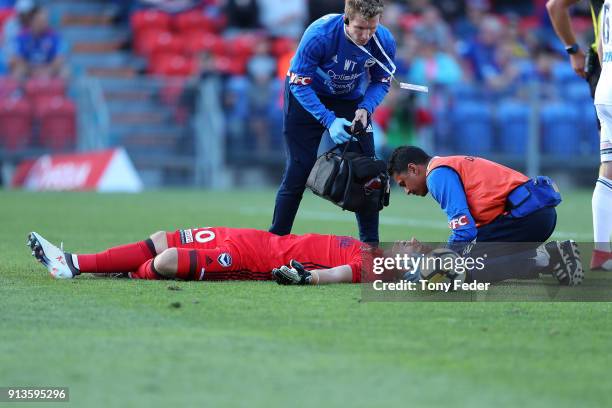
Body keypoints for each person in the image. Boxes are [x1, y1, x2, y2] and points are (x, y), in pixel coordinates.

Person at [269, 0, 396, 245]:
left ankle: (370, 250)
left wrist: (365, 109)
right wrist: (329, 120)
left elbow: (382, 80)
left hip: (350, 100)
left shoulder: (383, 40)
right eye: (360, 28)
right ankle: (275, 243)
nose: (366, 35)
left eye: (372, 28)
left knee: (368, 173)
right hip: (307, 98)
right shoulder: (320, 35)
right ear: (346, 19)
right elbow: (298, 83)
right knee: (299, 169)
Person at [387, 146, 584, 285]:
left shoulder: (436, 176)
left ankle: (547, 258)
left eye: (403, 183)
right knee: (467, 258)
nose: (406, 191)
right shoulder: (448, 165)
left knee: (463, 267)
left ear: (413, 169)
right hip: (535, 213)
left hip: (526, 217)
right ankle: (551, 258)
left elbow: (464, 231)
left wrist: (441, 262)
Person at [27, 228, 366, 285]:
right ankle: (78, 262)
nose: (411, 242)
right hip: (250, 236)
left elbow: (337, 275)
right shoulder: (363, 244)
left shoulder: (368, 264)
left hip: (249, 259)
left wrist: (309, 278)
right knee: (161, 239)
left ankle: (78, 265)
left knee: (168, 260)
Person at [547, 0, 612, 270]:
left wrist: (574, 50)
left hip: (606, 84)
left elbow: (554, 6)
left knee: (608, 168)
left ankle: (602, 252)